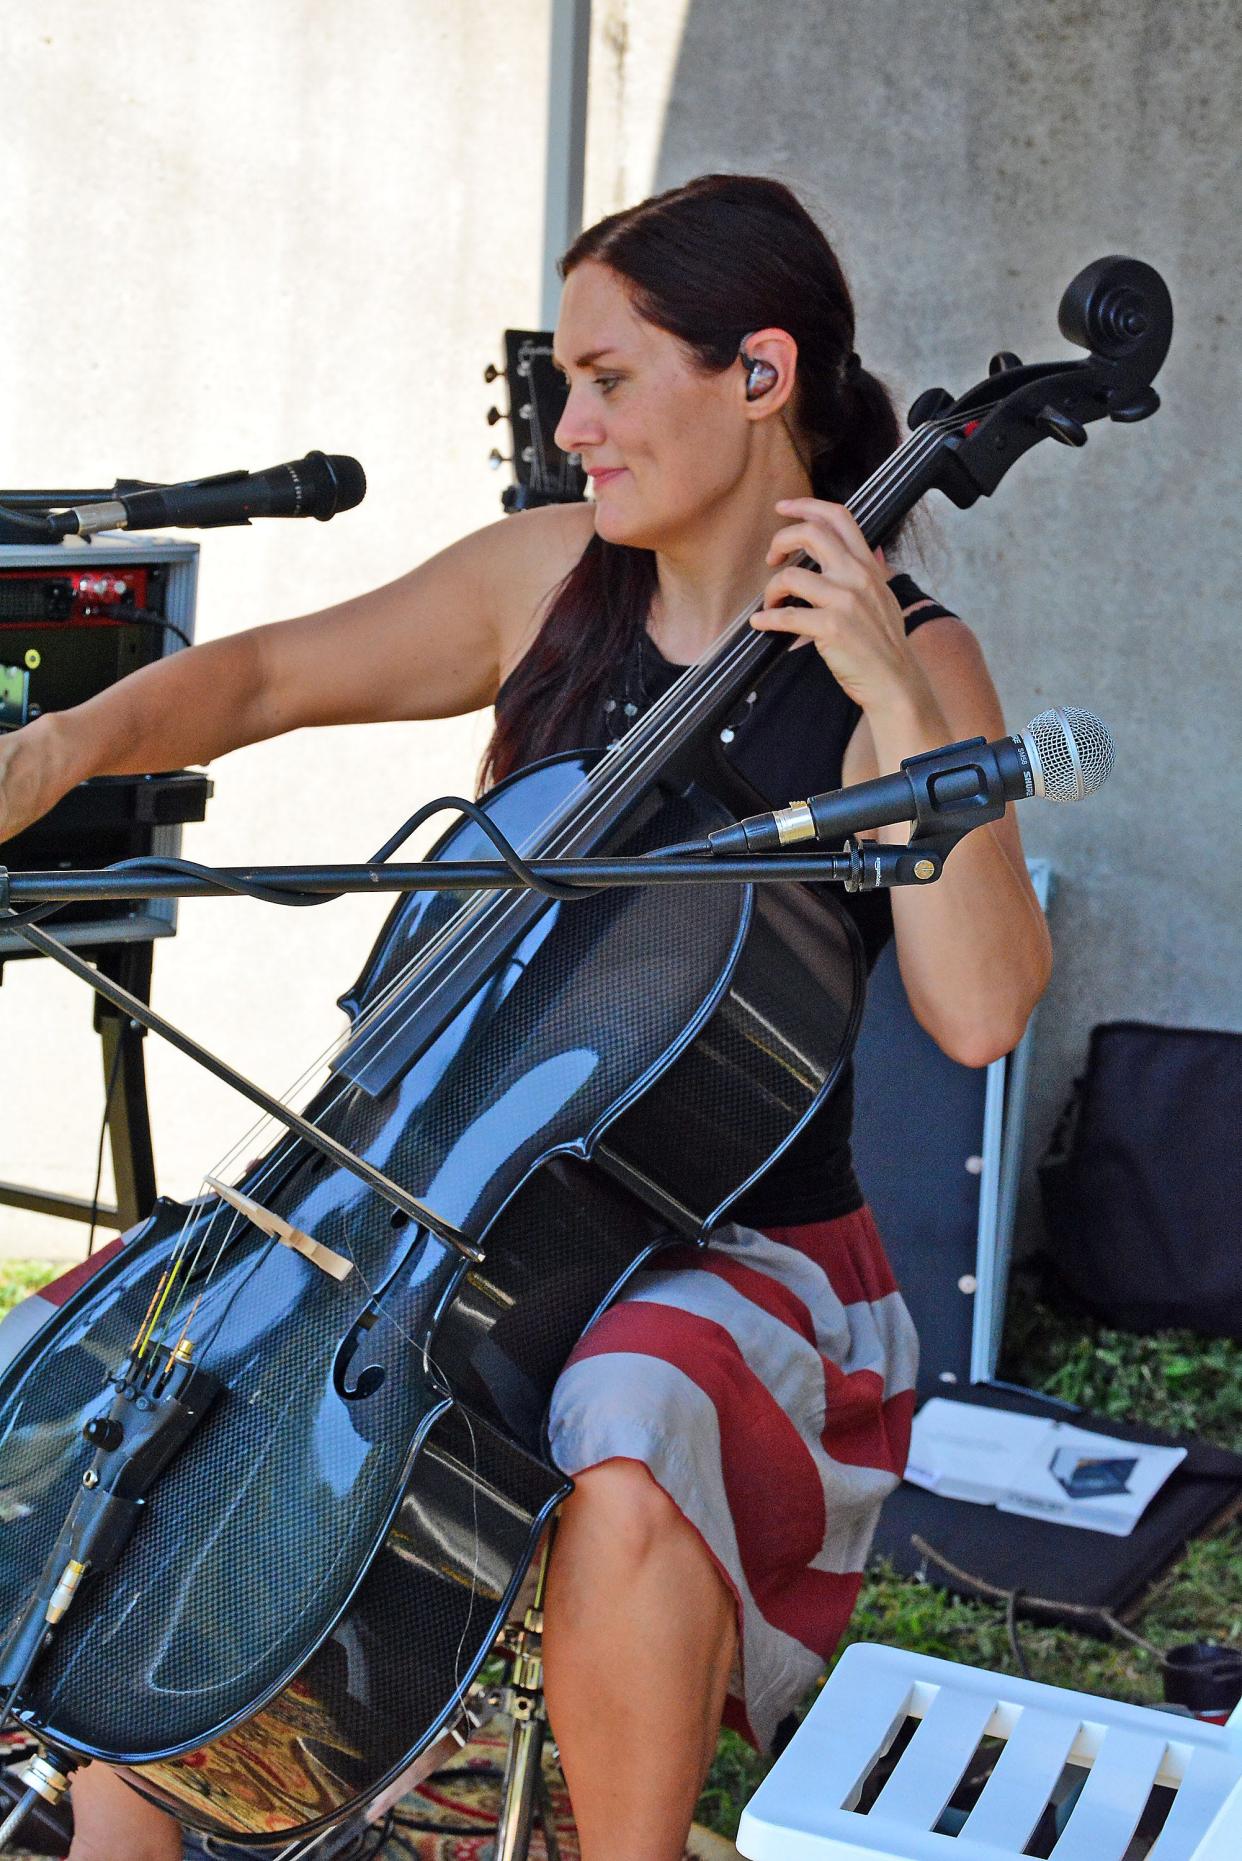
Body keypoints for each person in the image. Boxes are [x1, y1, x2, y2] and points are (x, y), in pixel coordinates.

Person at [0, 174, 1051, 1861]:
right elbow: (262, 678)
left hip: (729, 1239)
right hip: (447, 1196)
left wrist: (893, 697)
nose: (569, 425)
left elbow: (984, 1010)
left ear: (758, 373)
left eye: (607, 378)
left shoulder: (909, 668)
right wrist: (51, 754)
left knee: (629, 1413)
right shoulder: (552, 576)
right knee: (153, 1382)